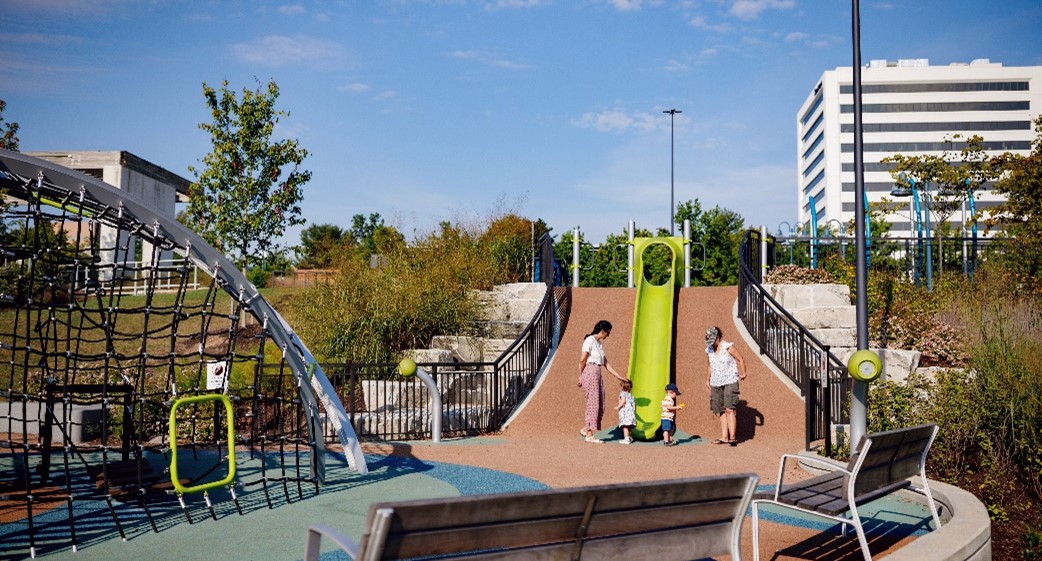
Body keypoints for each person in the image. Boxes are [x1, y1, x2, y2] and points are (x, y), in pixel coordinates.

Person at [578, 320, 627, 443]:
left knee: (600, 403)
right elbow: (582, 360)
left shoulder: (599, 344)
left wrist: (618, 376)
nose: (608, 336)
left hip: (597, 373)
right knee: (593, 402)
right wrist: (581, 376)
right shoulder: (589, 340)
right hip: (590, 371)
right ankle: (589, 435)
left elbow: (606, 363)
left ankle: (586, 428)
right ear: (603, 331)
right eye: (608, 333)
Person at [704, 326, 747, 446]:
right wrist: (707, 380)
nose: (711, 344)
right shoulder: (709, 350)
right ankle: (724, 437)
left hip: (730, 380)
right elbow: (709, 365)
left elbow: (740, 359)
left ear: (718, 337)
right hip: (716, 382)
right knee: (720, 410)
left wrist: (743, 372)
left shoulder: (728, 347)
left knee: (729, 409)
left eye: (713, 341)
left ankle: (732, 437)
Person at [616, 379, 636, 444]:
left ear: (622, 387)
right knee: (629, 426)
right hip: (630, 413)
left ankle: (626, 439)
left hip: (625, 413)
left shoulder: (622, 394)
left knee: (625, 426)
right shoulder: (631, 395)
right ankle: (630, 437)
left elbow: (623, 401)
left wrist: (618, 407)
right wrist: (634, 411)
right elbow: (634, 404)